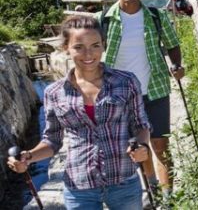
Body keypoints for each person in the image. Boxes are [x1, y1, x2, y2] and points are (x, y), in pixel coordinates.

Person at [7, 15, 152, 210]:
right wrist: (28, 157)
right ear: (66, 48)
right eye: (78, 47)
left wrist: (142, 146)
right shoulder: (54, 92)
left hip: (123, 181)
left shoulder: (126, 82)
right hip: (79, 186)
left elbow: (141, 125)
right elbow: (52, 140)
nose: (88, 54)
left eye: (95, 45)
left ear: (104, 45)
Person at [96, 0, 184, 193]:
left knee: (160, 145)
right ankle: (152, 188)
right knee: (138, 145)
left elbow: (172, 44)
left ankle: (168, 197)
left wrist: (176, 65)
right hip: (121, 96)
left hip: (155, 90)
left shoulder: (156, 16)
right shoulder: (104, 20)